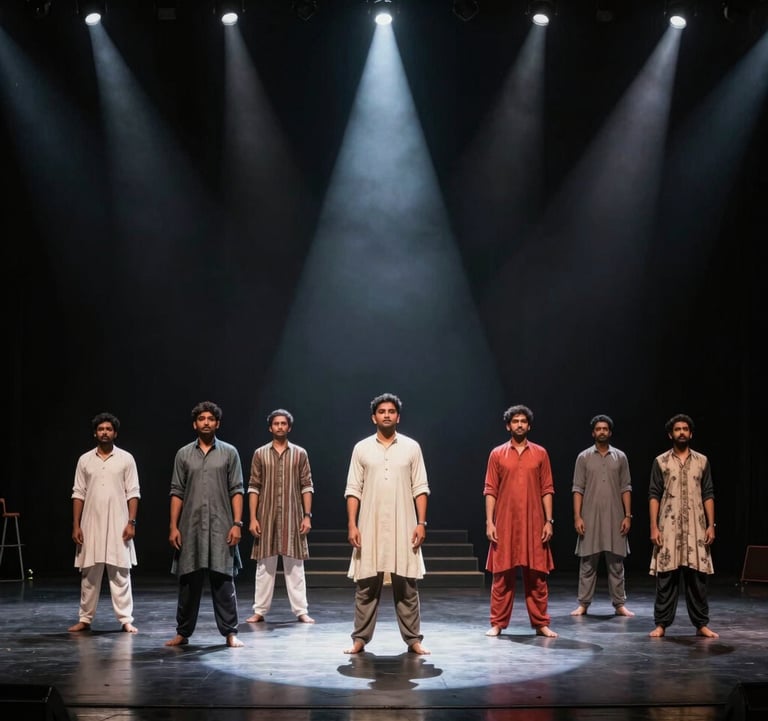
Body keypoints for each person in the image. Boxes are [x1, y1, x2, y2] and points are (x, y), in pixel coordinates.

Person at [343, 393, 430, 655]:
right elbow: (352, 489)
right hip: (370, 525)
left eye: (391, 411)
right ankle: (359, 639)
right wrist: (352, 524)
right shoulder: (361, 448)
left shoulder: (412, 447)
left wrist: (421, 522)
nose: (387, 415)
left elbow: (421, 487)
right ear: (374, 417)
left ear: (398, 416)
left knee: (407, 583)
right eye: (382, 411)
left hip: (404, 524)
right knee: (367, 582)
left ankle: (413, 639)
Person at [165, 401, 245, 648]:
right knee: (189, 582)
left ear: (217, 423)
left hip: (221, 526)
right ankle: (183, 633)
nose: (206, 422)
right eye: (202, 419)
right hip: (191, 527)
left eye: (211, 418)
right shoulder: (183, 454)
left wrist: (237, 523)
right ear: (195, 424)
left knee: (223, 581)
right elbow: (176, 491)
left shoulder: (229, 452)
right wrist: (173, 526)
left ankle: (230, 633)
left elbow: (237, 489)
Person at [484, 404, 557, 638]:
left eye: (523, 421)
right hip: (505, 522)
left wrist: (549, 521)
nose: (519, 425)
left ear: (529, 425)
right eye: (515, 421)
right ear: (508, 425)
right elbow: (490, 490)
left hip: (534, 521)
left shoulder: (540, 453)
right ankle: (497, 623)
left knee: (537, 576)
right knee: (502, 576)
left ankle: (540, 623)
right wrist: (489, 522)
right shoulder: (497, 454)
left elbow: (547, 488)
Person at [68, 412, 140, 634]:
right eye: (101, 429)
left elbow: (134, 493)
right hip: (91, 523)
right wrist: (76, 524)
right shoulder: (85, 460)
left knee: (120, 572)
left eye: (109, 429)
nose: (105, 432)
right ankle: (85, 619)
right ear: (95, 433)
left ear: (115, 433)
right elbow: (78, 493)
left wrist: (131, 522)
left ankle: (126, 619)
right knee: (89, 573)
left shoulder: (126, 458)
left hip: (119, 523)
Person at [649, 413, 718, 638]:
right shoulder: (661, 461)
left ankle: (701, 624)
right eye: (677, 429)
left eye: (685, 429)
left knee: (697, 580)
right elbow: (654, 495)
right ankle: (661, 624)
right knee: (666, 578)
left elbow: (708, 493)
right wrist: (654, 526)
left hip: (696, 529)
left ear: (691, 434)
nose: (681, 432)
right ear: (670, 434)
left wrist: (711, 525)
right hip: (668, 527)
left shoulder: (702, 461)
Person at [246, 408, 315, 624]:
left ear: (289, 427)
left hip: (293, 516)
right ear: (270, 427)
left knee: (295, 566)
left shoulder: (300, 453)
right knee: (264, 565)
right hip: (266, 516)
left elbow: (307, 485)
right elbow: (253, 486)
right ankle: (260, 610)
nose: (280, 427)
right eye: (276, 423)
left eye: (283, 423)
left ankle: (301, 610)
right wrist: (253, 518)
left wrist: (307, 516)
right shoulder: (260, 453)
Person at [570, 414, 634, 617]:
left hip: (615, 516)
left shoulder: (621, 457)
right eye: (598, 429)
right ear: (593, 432)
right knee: (588, 562)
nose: (602, 432)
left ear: (610, 432)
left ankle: (619, 604)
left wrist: (628, 515)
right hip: (590, 516)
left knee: (616, 563)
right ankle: (583, 604)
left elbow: (626, 487)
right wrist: (577, 517)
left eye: (605, 429)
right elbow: (577, 488)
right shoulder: (583, 457)